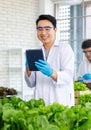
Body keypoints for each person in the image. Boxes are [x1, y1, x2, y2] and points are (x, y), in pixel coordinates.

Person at [25, 14, 74, 107]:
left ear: (55, 30)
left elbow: (68, 76)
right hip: (40, 102)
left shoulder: (64, 49)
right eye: (40, 29)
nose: (43, 33)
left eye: (47, 29)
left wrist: (52, 73)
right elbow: (31, 84)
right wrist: (28, 68)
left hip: (60, 102)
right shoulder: (36, 52)